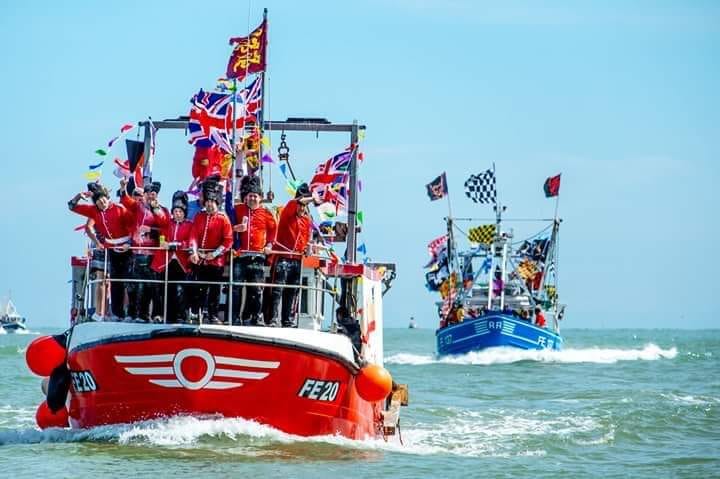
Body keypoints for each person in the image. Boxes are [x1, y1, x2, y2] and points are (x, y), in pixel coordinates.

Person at [68, 184, 132, 320]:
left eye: (103, 200)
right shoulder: (93, 211)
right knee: (115, 282)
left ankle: (130, 313)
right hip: (111, 249)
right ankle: (117, 314)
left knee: (129, 281)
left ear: (107, 198)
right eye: (98, 202)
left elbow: (133, 225)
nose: (102, 203)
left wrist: (130, 243)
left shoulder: (120, 209)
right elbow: (71, 206)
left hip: (127, 249)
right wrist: (80, 196)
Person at [268, 183, 320, 327]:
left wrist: (307, 249)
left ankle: (287, 320)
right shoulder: (288, 211)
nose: (302, 208)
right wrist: (312, 197)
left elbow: (305, 240)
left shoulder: (306, 220)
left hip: (296, 260)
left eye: (304, 206)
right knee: (277, 289)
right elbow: (297, 201)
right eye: (301, 205)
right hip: (283, 257)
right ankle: (272, 319)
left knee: (293, 290)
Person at [231, 176, 276, 326]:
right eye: (250, 196)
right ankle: (234, 318)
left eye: (255, 196)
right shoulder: (237, 210)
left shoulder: (267, 213)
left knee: (256, 290)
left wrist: (269, 245)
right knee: (235, 288)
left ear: (260, 198)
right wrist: (236, 229)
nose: (252, 199)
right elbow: (227, 228)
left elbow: (273, 230)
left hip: (258, 257)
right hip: (240, 256)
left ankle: (254, 317)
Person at [120, 179, 166, 321]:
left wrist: (151, 230)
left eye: (153, 194)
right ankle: (135, 314)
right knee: (133, 286)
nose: (150, 196)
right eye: (148, 194)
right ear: (144, 195)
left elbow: (165, 228)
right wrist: (123, 188)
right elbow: (126, 201)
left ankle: (153, 315)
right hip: (136, 253)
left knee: (152, 287)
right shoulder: (138, 207)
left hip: (153, 255)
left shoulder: (162, 210)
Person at [189, 182, 233, 323]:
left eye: (212, 202)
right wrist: (194, 252)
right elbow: (193, 236)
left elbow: (228, 240)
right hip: (200, 259)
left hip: (216, 261)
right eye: (207, 201)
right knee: (198, 287)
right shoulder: (199, 217)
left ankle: (213, 315)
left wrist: (214, 254)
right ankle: (197, 313)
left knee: (214, 289)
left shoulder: (223, 218)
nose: (209, 204)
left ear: (217, 202)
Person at [151, 191, 193, 323]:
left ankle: (181, 316)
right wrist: (156, 206)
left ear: (184, 212)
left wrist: (178, 245)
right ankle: (163, 315)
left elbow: (192, 240)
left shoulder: (190, 225)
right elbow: (160, 220)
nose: (177, 214)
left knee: (180, 289)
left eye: (180, 211)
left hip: (181, 262)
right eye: (175, 211)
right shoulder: (167, 223)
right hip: (166, 262)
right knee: (163, 288)